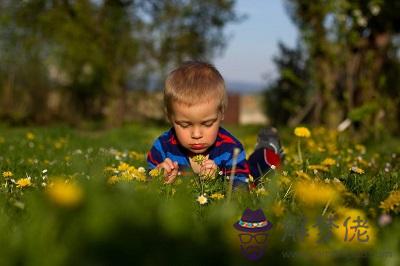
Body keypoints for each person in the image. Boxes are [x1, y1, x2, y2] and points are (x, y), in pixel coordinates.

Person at [147, 61, 283, 189]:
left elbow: (241, 190)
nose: (196, 134)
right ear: (171, 117)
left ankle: (267, 148)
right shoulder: (162, 147)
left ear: (221, 114)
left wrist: (218, 179)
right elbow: (145, 184)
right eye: (185, 125)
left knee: (262, 170)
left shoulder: (231, 149)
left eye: (207, 124)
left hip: (253, 172)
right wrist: (158, 179)